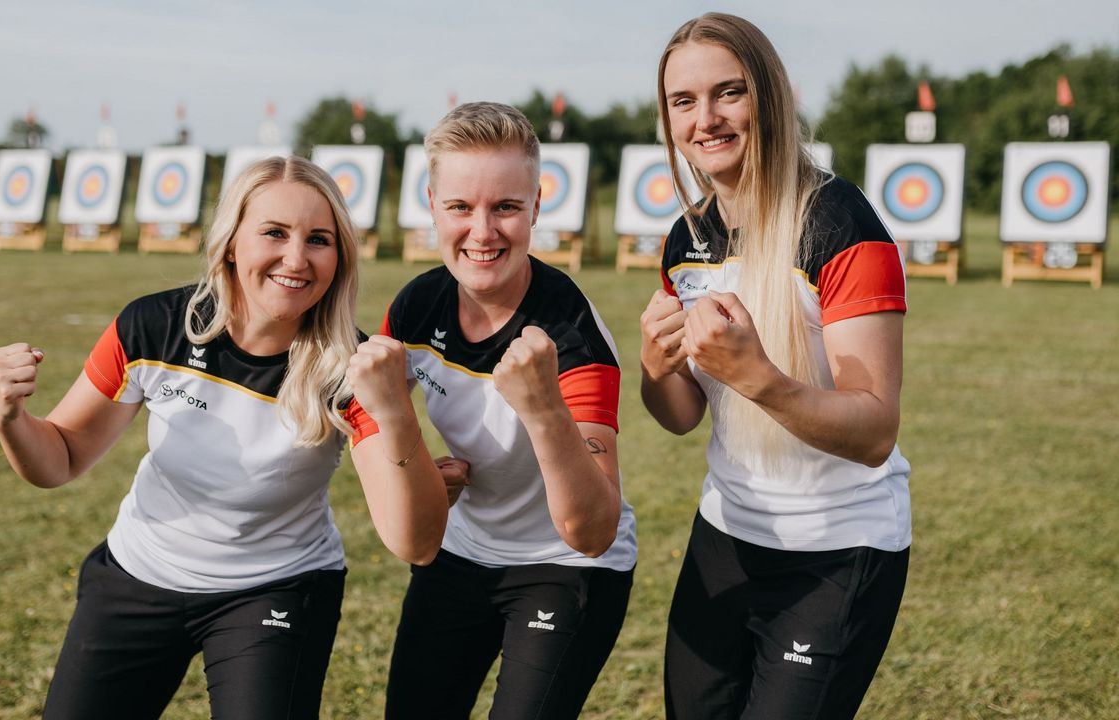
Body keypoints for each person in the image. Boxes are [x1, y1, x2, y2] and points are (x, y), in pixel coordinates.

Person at [0, 156, 361, 720]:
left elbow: (402, 507)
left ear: (340, 256)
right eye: (274, 233)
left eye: (319, 239)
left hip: (277, 587)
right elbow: (59, 459)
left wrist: (422, 469)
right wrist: (11, 417)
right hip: (140, 573)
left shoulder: (351, 365)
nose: (296, 258)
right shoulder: (152, 325)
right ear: (232, 242)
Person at [641, 13, 912, 720]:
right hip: (726, 536)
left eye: (729, 92)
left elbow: (874, 427)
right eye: (683, 101)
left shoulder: (840, 222)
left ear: (770, 95)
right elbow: (680, 415)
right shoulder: (687, 235)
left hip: (837, 549)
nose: (706, 118)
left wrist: (757, 374)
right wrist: (655, 366)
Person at [343, 102, 637, 720]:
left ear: (537, 205)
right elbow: (374, 419)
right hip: (463, 551)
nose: (482, 231)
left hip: (563, 566)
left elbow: (592, 530)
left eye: (505, 206)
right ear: (431, 206)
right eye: (460, 207)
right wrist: (419, 473)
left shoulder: (574, 337)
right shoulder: (419, 305)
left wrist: (546, 411)